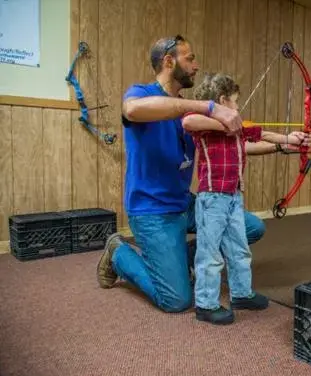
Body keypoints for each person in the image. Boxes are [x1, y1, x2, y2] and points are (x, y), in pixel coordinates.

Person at [95, 35, 261, 313]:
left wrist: (284, 145)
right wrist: (208, 106)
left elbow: (236, 143)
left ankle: (179, 257)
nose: (196, 65)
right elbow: (132, 110)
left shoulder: (187, 110)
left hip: (185, 205)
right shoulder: (141, 94)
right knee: (177, 300)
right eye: (190, 58)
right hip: (152, 212)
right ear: (169, 62)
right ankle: (119, 253)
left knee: (252, 227)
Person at [182, 73, 311, 324]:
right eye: (235, 102)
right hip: (212, 198)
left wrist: (288, 139)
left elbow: (258, 133)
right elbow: (187, 121)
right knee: (210, 254)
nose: (238, 107)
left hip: (233, 196)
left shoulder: (238, 129)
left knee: (239, 249)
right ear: (222, 100)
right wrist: (227, 122)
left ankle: (241, 293)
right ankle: (205, 304)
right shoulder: (203, 125)